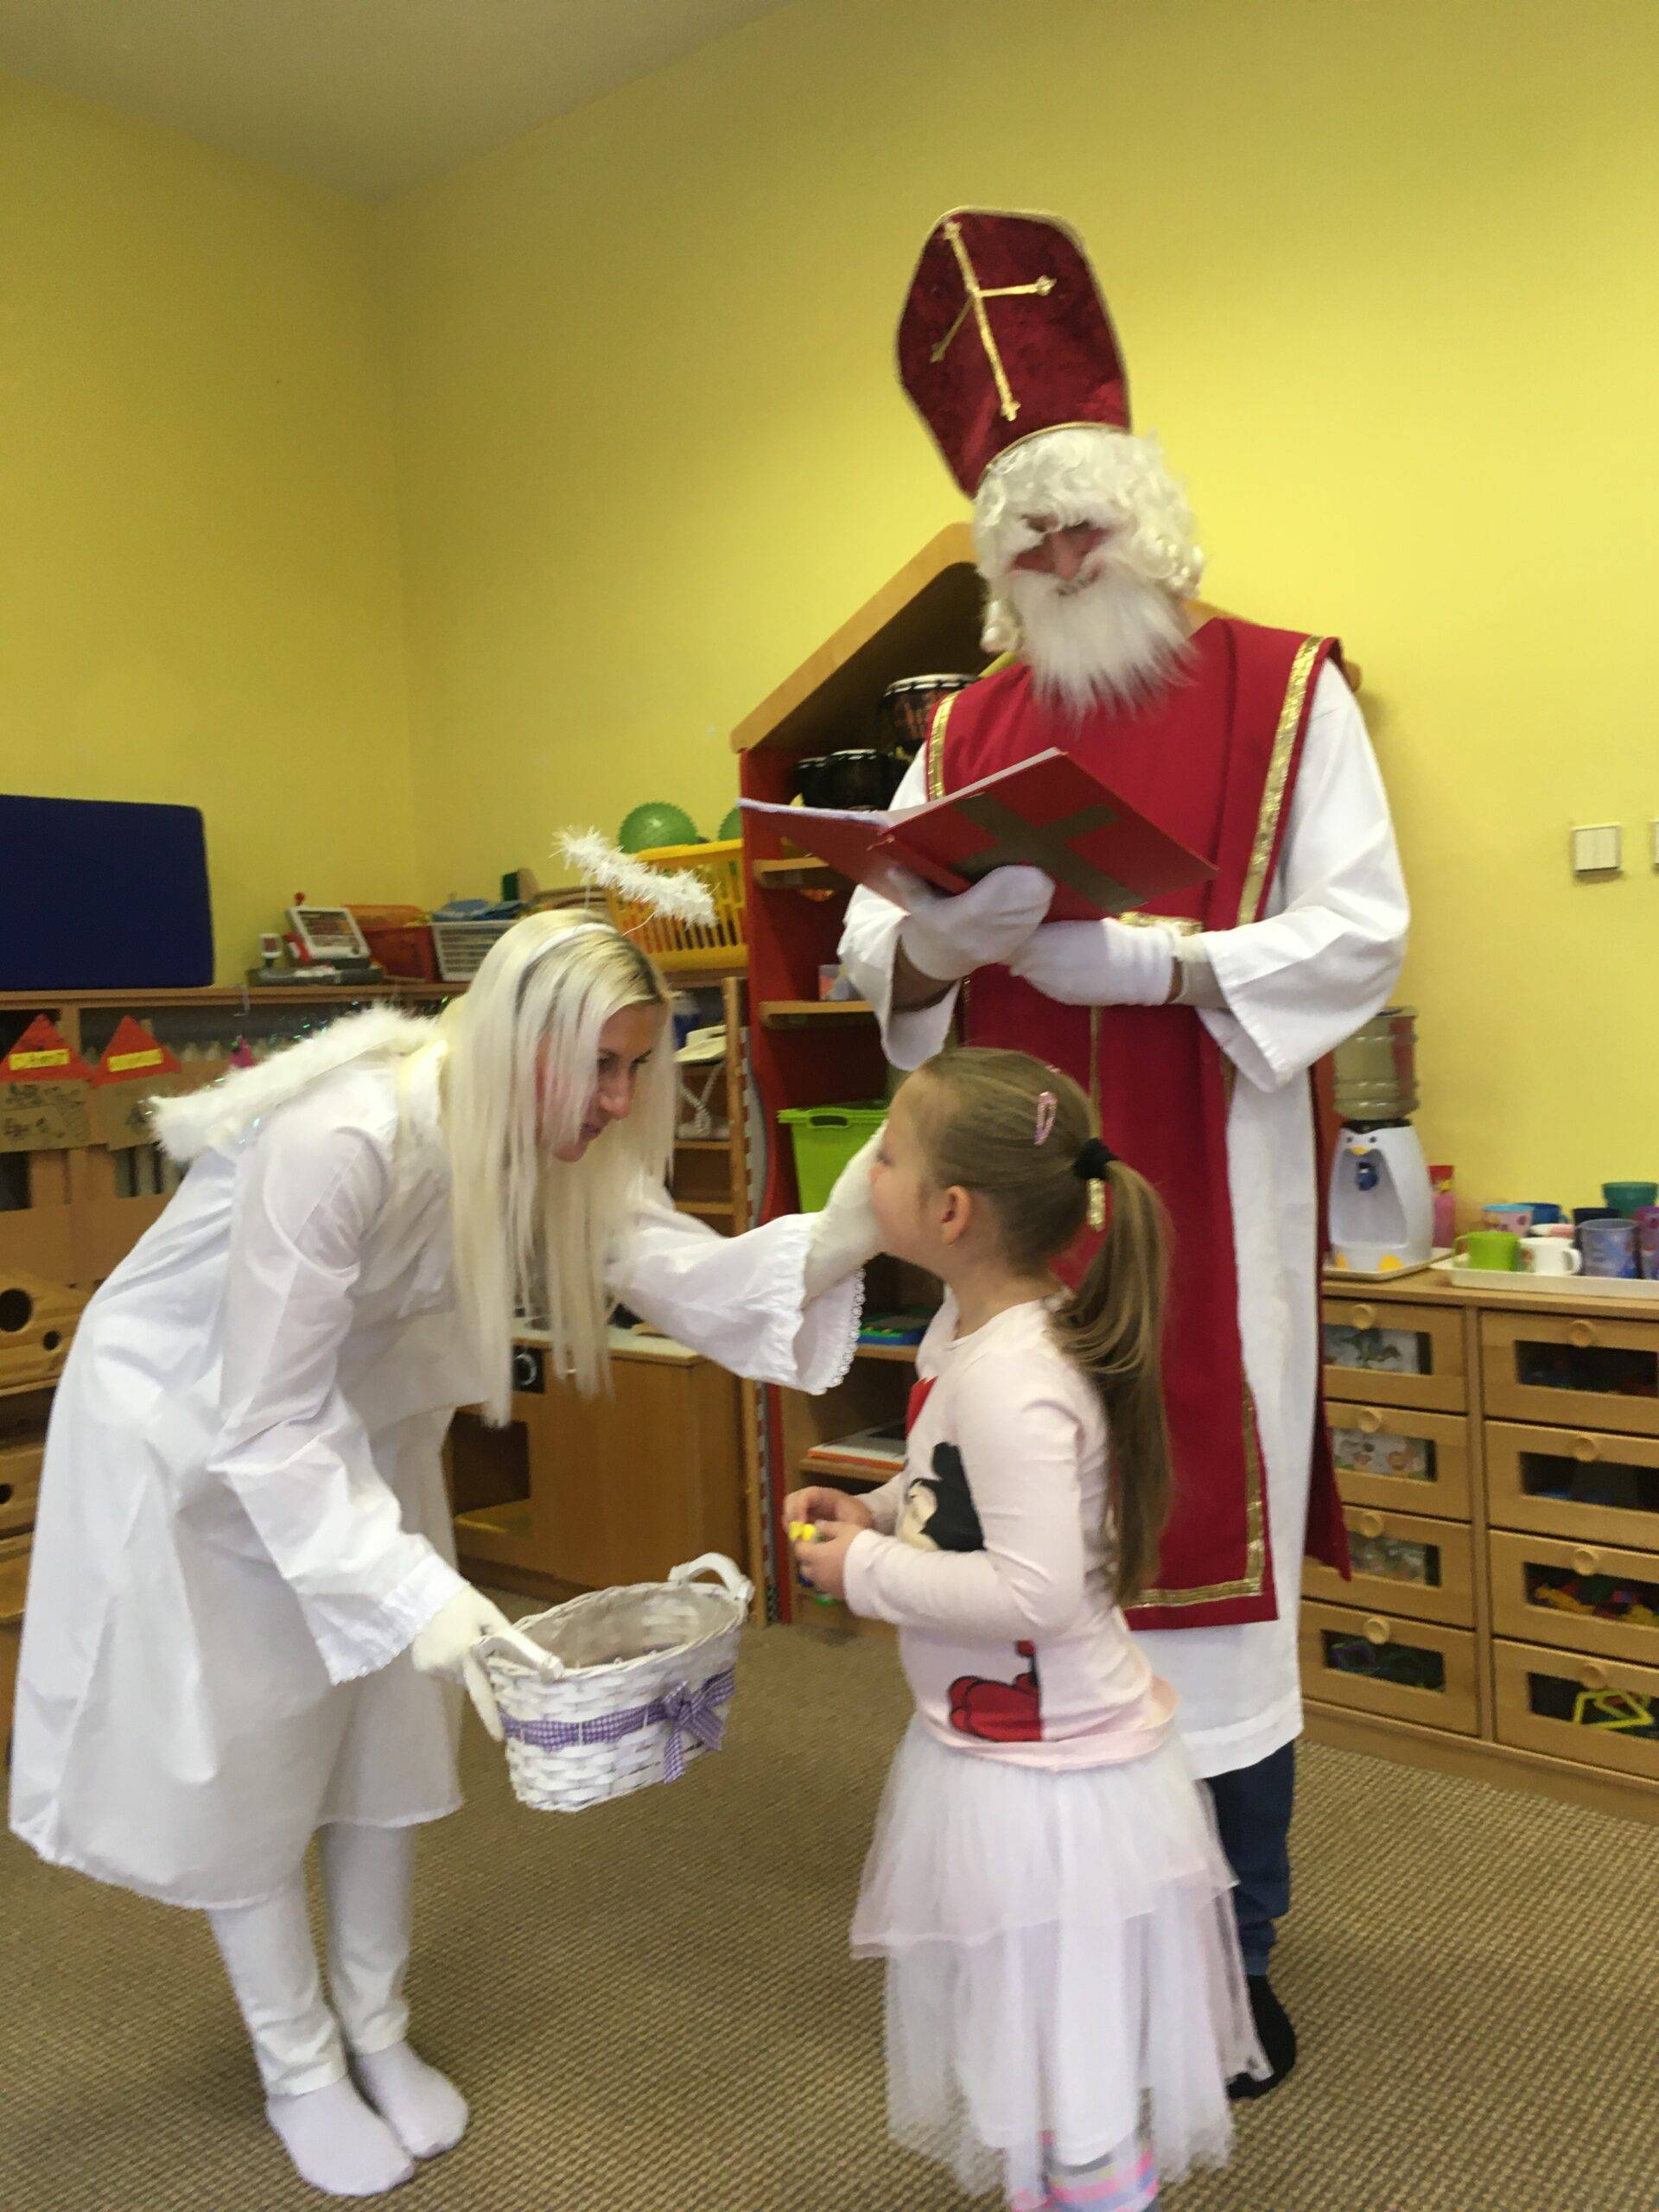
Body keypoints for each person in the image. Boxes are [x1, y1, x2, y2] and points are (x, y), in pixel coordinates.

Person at [10, 909, 880, 2198]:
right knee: (250, 1756)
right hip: (199, 1443)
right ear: (524, 1041)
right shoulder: (345, 1137)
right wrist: (421, 1591)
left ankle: (377, 2029)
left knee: (388, 1739)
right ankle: (299, 2065)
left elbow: (672, 1267)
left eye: (638, 1066)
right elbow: (267, 1419)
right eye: (600, 1066)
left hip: (360, 1433)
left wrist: (856, 1228)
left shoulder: (548, 1136)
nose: (620, 1099)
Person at [840, 207, 1408, 2086]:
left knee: (1208, 1601)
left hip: (1206, 1213)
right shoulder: (965, 727)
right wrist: (939, 943)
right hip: (1009, 1242)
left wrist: (1164, 964)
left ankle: (1234, 1957)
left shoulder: (1288, 688)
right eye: (1030, 537)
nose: (1064, 556)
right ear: (995, 562)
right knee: (1023, 1563)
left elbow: (1363, 930)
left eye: (1086, 521)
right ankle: (1063, 1947)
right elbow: (866, 945)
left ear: (1147, 516)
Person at [786, 1047, 1262, 2212]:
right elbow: (957, 1495)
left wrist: (865, 1573)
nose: (867, 1172)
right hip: (999, 1749)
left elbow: (1034, 1594)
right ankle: (1058, 2176)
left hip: (1055, 1780)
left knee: (1072, 2032)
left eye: (886, 1155)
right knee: (1025, 2015)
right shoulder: (972, 1337)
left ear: (950, 1211)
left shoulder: (1013, 1375)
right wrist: (878, 1512)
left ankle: (1096, 2181)